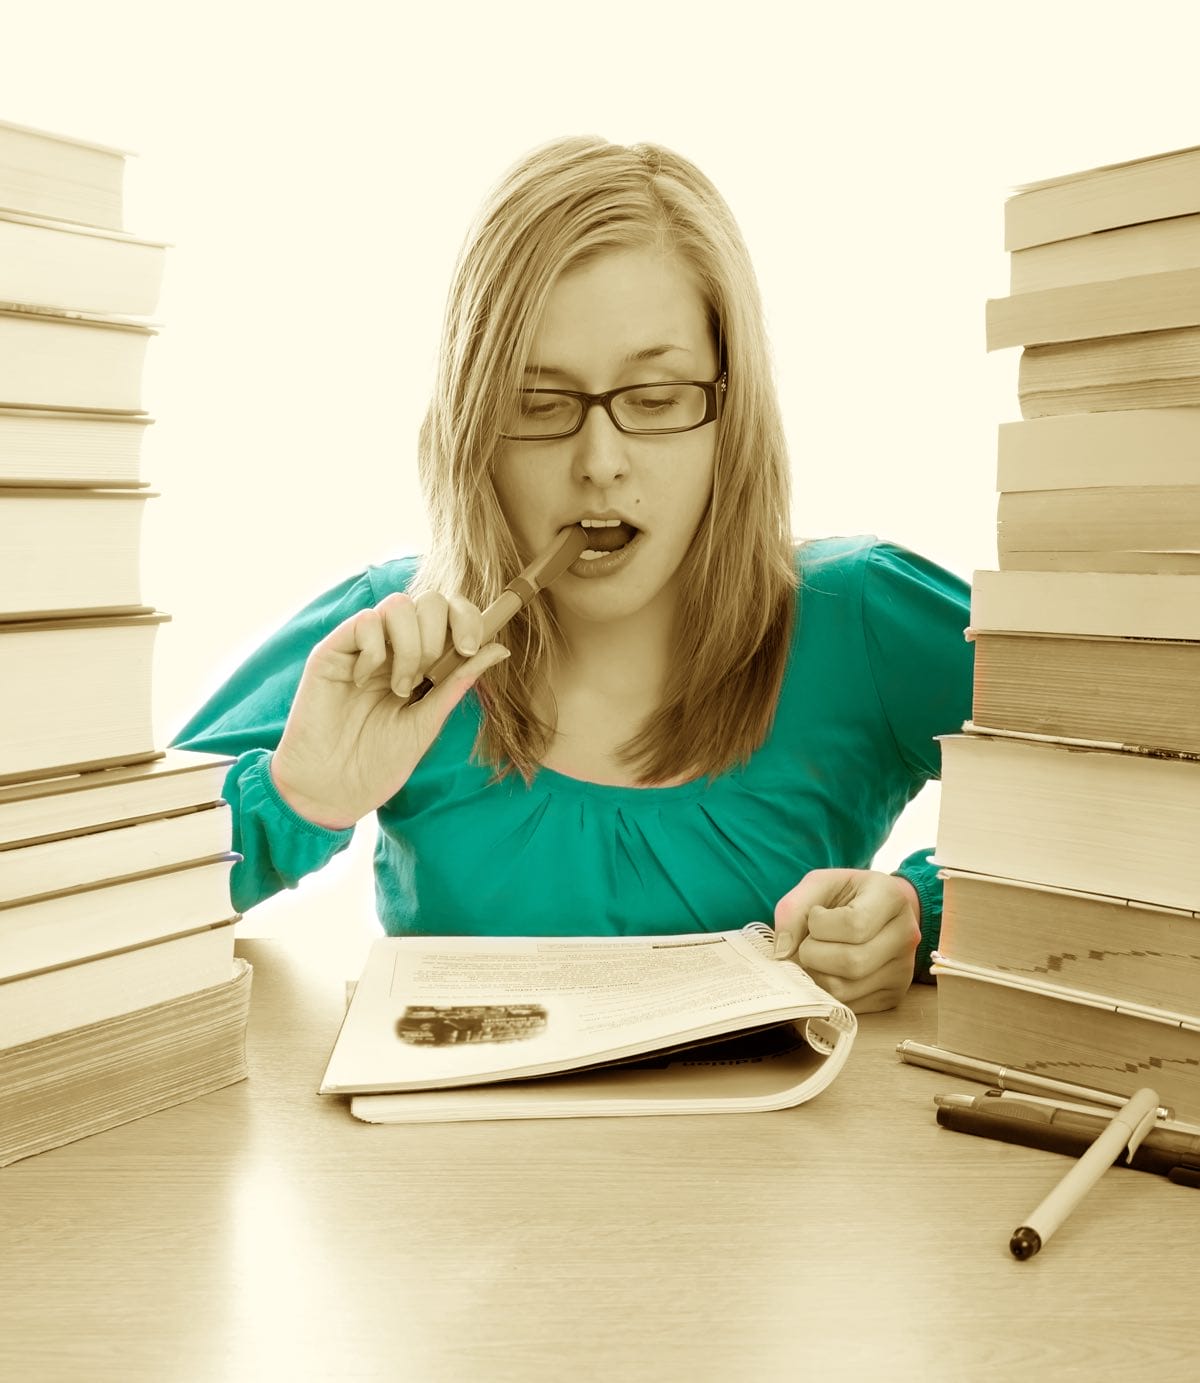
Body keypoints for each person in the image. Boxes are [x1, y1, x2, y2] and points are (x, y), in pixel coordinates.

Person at [173, 136, 973, 1014]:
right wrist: (296, 800)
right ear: (474, 427)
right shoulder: (394, 641)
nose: (599, 462)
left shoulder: (860, 616)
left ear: (729, 414)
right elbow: (72, 901)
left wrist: (923, 910)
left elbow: (1140, 794)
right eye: (537, 404)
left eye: (657, 398)